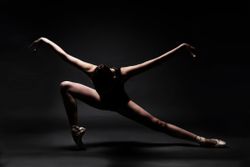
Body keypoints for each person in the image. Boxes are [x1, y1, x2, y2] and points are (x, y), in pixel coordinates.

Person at [30, 37, 226, 148]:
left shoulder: (122, 73)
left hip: (121, 104)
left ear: (114, 77)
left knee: (158, 124)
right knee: (65, 85)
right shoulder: (90, 70)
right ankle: (75, 129)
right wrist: (45, 41)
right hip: (101, 100)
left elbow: (156, 62)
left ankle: (201, 140)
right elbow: (64, 55)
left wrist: (180, 48)